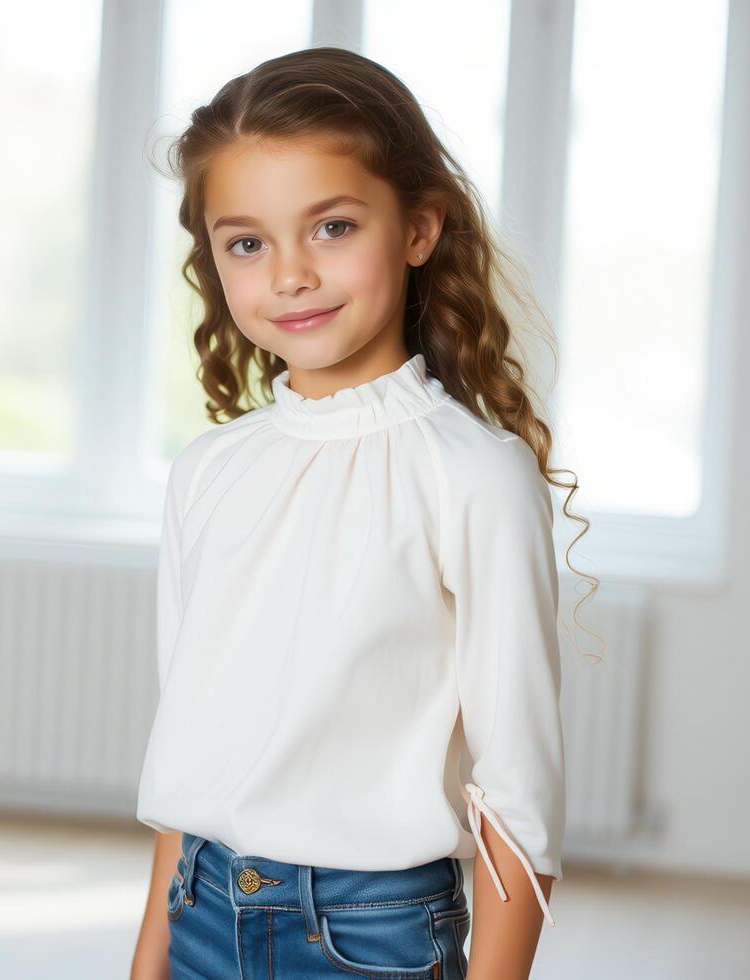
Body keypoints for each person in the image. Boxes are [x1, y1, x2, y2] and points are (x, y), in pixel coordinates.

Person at [129, 45, 595, 980]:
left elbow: (516, 796)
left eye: (332, 226)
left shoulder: (474, 476)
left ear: (419, 227)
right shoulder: (209, 471)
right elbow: (192, 760)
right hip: (201, 914)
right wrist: (149, 964)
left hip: (368, 937)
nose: (290, 274)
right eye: (246, 242)